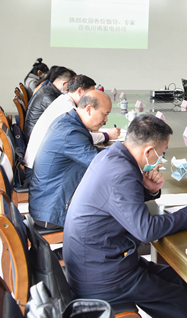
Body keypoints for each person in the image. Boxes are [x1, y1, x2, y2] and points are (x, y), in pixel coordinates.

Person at [62, 114, 187, 318]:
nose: (161, 159)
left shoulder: (112, 156)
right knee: (175, 298)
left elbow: (119, 204)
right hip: (103, 276)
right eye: (162, 153)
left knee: (177, 277)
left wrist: (149, 190)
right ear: (148, 151)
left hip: (101, 259)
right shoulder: (122, 173)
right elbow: (145, 230)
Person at [28, 90, 111, 229]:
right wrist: (132, 158)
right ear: (89, 109)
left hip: (47, 204)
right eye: (105, 114)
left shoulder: (69, 121)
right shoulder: (71, 133)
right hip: (53, 213)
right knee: (116, 219)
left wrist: (121, 152)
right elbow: (100, 165)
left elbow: (92, 153)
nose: (106, 120)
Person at [24, 75, 120, 175]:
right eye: (90, 93)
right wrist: (106, 136)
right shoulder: (67, 112)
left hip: (43, 169)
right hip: (37, 171)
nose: (106, 120)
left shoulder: (65, 105)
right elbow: (93, 157)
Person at [24, 66, 76, 141]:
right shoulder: (47, 95)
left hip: (38, 133)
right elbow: (63, 117)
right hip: (35, 138)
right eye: (70, 86)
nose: (70, 89)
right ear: (64, 83)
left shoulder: (48, 90)